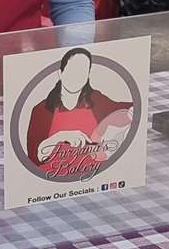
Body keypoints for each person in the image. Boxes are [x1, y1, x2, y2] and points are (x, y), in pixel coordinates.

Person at [25, 48, 133, 177]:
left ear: (87, 76)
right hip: (52, 180)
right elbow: (33, 158)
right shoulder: (41, 110)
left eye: (82, 72)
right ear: (61, 73)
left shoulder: (96, 99)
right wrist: (61, 137)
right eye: (72, 70)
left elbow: (121, 109)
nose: (77, 77)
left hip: (94, 176)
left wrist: (131, 112)